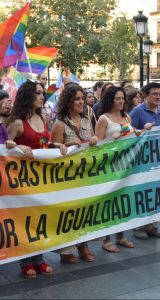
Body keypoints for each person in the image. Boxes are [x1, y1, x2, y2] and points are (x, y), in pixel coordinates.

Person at [7, 80, 66, 278]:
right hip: (23, 183)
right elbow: (4, 146)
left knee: (40, 219)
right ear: (28, 97)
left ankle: (39, 260)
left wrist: (59, 144)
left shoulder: (43, 118)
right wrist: (15, 146)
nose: (43, 96)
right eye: (38, 93)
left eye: (43, 93)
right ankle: (26, 262)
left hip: (42, 180)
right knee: (26, 221)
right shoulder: (17, 122)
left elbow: (45, 143)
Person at [51, 82, 98, 264]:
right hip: (67, 178)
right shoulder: (60, 124)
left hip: (86, 174)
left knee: (85, 211)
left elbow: (93, 143)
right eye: (77, 99)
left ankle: (83, 245)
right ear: (68, 101)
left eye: (82, 98)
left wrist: (94, 139)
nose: (81, 102)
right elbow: (53, 152)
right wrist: (66, 146)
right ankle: (66, 250)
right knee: (70, 213)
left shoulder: (87, 120)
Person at [95, 86, 134, 252]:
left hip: (125, 166)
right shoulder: (103, 119)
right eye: (118, 98)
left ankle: (120, 235)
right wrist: (113, 140)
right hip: (110, 167)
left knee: (122, 201)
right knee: (109, 203)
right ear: (110, 100)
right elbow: (97, 145)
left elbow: (131, 137)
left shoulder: (126, 117)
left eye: (122, 98)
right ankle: (106, 239)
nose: (121, 101)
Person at [130, 82, 160, 240]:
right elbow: (128, 134)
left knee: (156, 193)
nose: (158, 97)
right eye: (154, 94)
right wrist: (142, 130)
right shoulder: (137, 112)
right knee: (142, 193)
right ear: (145, 95)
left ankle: (152, 225)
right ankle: (138, 227)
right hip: (142, 161)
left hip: (159, 159)